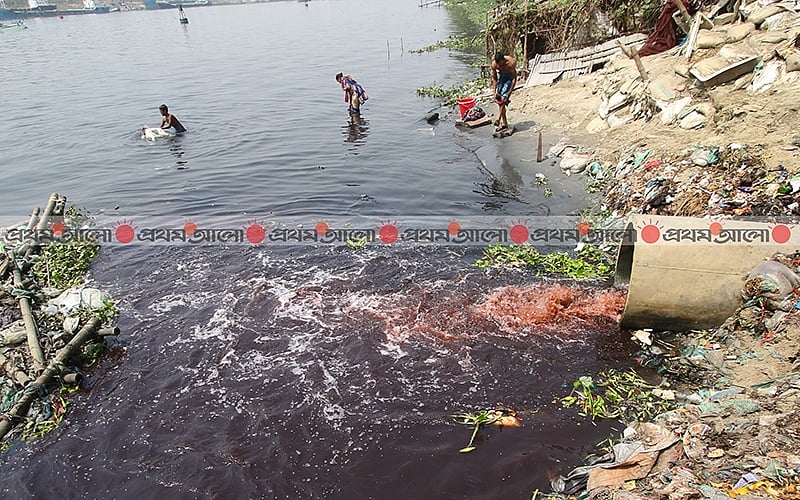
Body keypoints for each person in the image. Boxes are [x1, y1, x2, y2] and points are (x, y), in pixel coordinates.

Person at [490, 51, 517, 132]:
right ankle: (505, 123)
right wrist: (494, 92)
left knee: (504, 97)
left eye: (501, 65)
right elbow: (495, 78)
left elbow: (514, 79)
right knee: (499, 98)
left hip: (509, 78)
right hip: (502, 77)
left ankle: (498, 118)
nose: (499, 66)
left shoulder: (511, 63)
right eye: (498, 65)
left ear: (505, 61)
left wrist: (509, 92)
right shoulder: (494, 65)